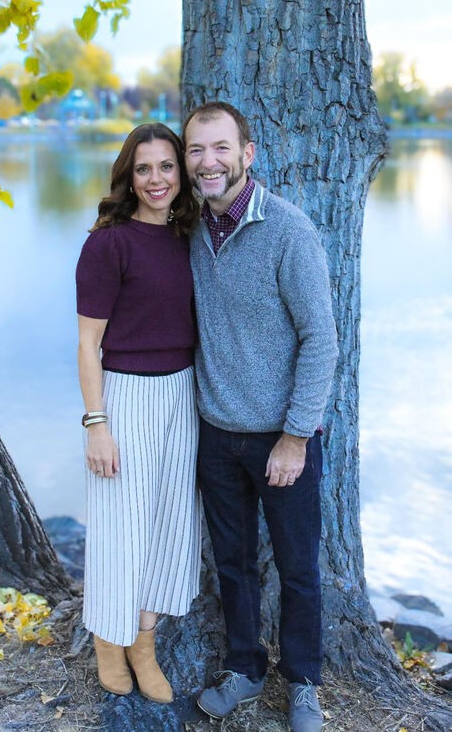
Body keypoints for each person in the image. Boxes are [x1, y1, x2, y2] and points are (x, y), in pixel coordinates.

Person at [182, 102, 338, 732]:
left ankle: (302, 682)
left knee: (298, 569)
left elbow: (320, 339)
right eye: (196, 150)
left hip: (283, 438)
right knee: (233, 563)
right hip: (217, 435)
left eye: (220, 148)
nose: (208, 162)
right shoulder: (188, 229)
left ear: (247, 154)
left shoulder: (287, 230)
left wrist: (296, 437)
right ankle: (244, 668)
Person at [75, 123, 201, 704]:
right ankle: (108, 640)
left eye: (166, 166)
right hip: (124, 398)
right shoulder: (108, 244)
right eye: (144, 168)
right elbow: (87, 344)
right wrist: (96, 424)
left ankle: (143, 643)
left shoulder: (188, 236)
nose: (156, 179)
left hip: (182, 395)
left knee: (169, 526)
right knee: (119, 529)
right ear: (128, 176)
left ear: (182, 173)